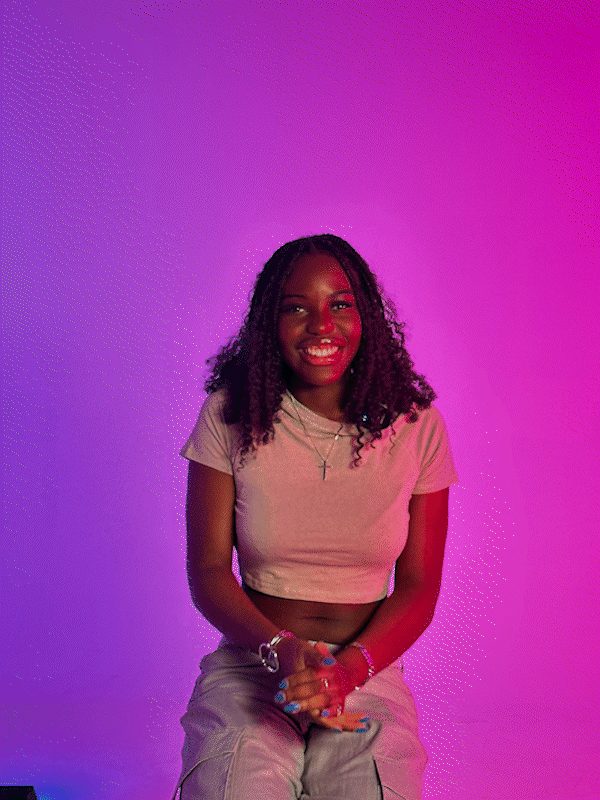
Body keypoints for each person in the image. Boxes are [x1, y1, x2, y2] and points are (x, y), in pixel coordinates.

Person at [172, 234, 458, 800]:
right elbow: (207, 571)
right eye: (296, 307)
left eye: (341, 304)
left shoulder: (417, 427)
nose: (321, 325)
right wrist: (280, 652)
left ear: (366, 316)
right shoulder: (229, 416)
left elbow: (420, 589)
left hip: (366, 674)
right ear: (269, 324)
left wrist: (345, 673)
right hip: (251, 667)